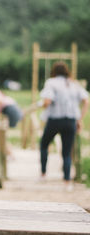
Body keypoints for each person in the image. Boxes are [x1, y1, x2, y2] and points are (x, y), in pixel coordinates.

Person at [39, 61, 89, 189]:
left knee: (44, 144)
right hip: (71, 121)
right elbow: (86, 101)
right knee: (67, 152)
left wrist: (43, 105)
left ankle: (43, 174)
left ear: (54, 71)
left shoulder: (51, 82)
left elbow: (47, 101)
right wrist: (79, 119)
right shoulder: (73, 84)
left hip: (55, 120)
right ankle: (67, 181)